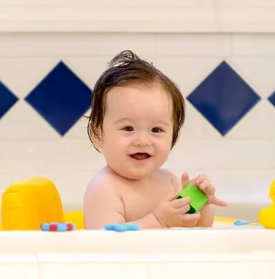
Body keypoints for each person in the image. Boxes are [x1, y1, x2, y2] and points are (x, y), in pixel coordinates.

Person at [82, 50, 227, 229]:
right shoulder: (104, 188)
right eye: (128, 128)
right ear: (98, 135)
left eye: (156, 130)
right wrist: (159, 221)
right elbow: (107, 244)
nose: (143, 141)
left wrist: (200, 205)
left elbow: (197, 229)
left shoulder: (169, 182)